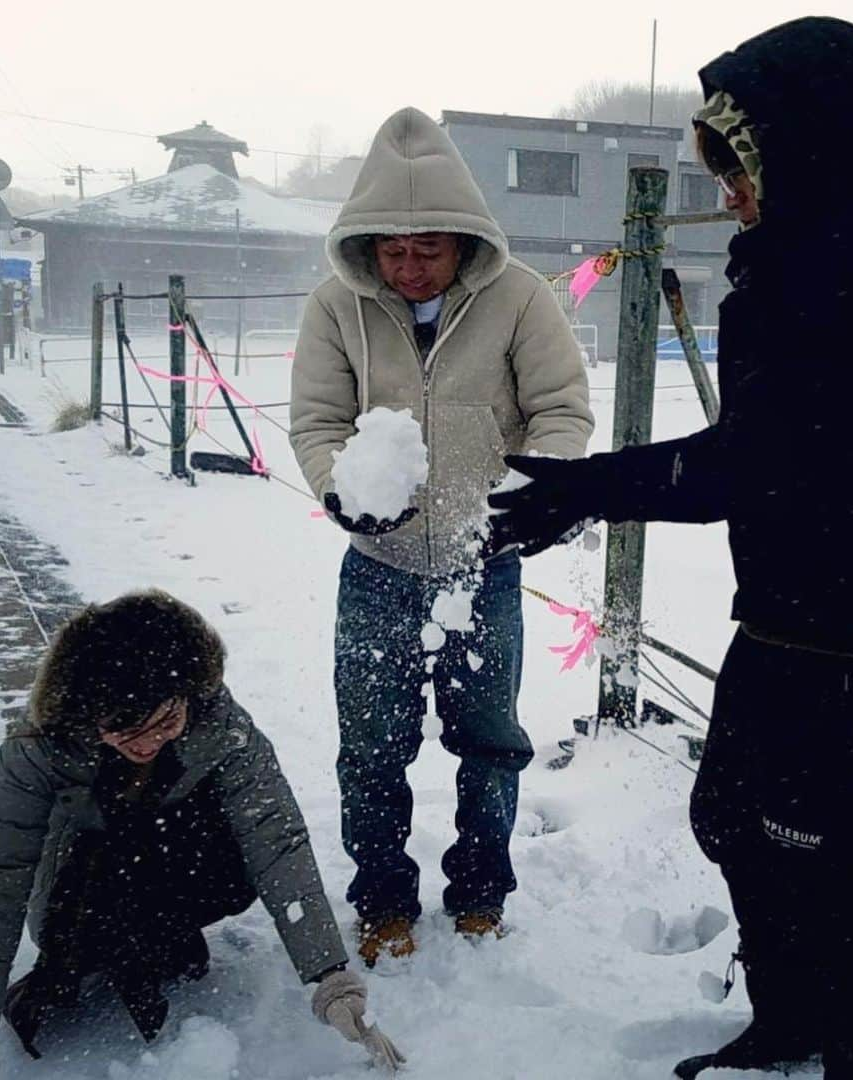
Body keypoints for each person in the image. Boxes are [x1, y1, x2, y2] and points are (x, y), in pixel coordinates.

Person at [488, 17, 853, 1080]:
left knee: (814, 844)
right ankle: (794, 1016)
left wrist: (591, 488)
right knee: (736, 818)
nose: (729, 192)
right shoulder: (808, 253)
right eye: (718, 167)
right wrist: (595, 490)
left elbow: (764, 461)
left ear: (805, 147)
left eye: (740, 165)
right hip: (799, 600)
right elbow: (770, 454)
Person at [290, 106, 593, 966]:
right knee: (373, 745)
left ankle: (481, 894)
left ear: (465, 239)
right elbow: (316, 420)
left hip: (481, 566)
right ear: (367, 244)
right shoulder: (336, 308)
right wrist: (342, 492)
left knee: (490, 741)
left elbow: (560, 411)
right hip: (377, 568)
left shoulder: (520, 299)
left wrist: (531, 496)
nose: (410, 266)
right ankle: (383, 899)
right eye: (393, 249)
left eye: (430, 248)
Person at [0, 591, 402, 1080]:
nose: (150, 741)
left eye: (166, 722)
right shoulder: (39, 746)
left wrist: (333, 980)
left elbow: (276, 840)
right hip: (82, 884)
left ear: (188, 696)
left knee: (236, 843)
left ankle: (161, 927)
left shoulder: (218, 721)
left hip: (179, 861)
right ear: (91, 714)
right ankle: (120, 939)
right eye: (127, 731)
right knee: (85, 935)